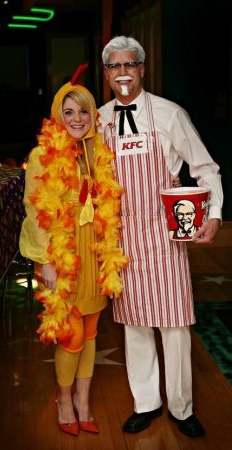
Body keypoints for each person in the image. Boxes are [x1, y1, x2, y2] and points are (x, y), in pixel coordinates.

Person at [98, 35, 223, 438]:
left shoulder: (170, 114)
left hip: (165, 234)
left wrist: (215, 213)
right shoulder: (98, 120)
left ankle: (182, 408)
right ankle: (146, 403)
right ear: (106, 74)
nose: (122, 73)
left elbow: (205, 168)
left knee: (175, 325)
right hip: (121, 238)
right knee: (134, 324)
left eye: (129, 65)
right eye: (114, 66)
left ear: (142, 70)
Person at [19, 70, 128, 436]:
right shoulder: (42, 155)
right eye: (68, 112)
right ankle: (64, 400)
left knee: (92, 329)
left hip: (93, 252)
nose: (77, 119)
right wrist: (45, 262)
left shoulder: (98, 151)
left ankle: (83, 400)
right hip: (60, 254)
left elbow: (110, 201)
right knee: (71, 334)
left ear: (92, 114)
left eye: (83, 111)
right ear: (57, 114)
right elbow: (35, 213)